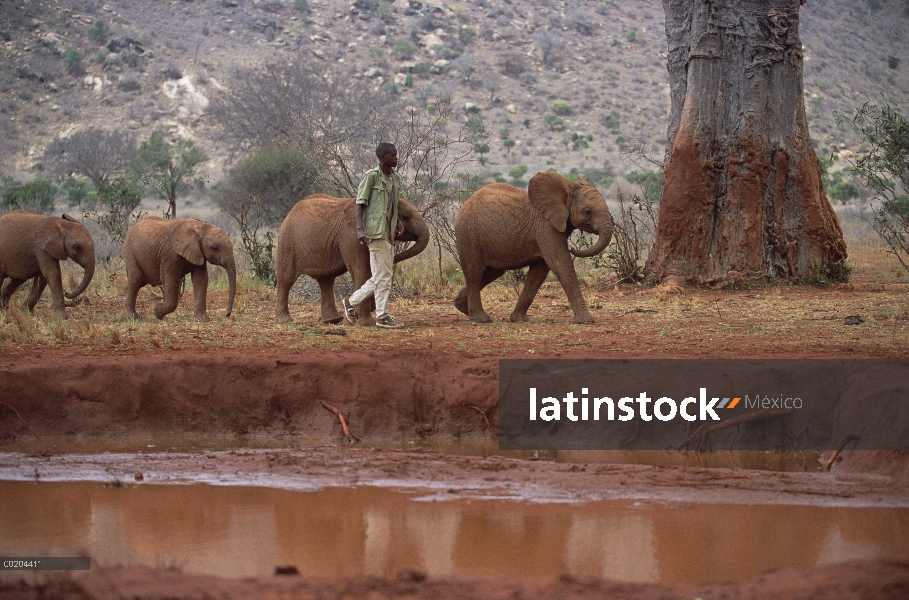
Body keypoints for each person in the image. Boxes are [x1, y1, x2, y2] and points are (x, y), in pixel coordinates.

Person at [343, 142, 406, 328]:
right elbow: (359, 203)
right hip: (375, 232)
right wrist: (360, 229)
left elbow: (392, 205)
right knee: (383, 276)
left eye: (396, 155)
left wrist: (398, 221)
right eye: (392, 155)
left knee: (381, 275)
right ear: (381, 157)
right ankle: (382, 316)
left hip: (388, 231)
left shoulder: (394, 178)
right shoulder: (371, 177)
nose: (396, 158)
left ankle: (351, 302)